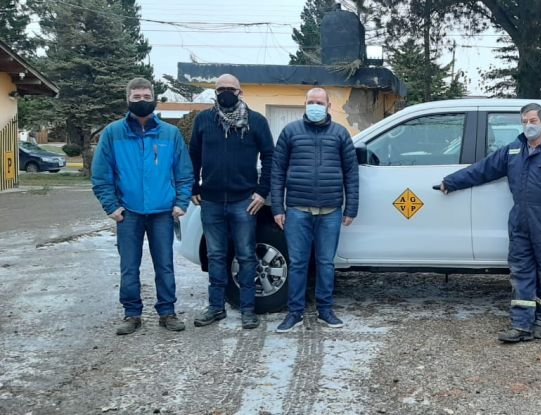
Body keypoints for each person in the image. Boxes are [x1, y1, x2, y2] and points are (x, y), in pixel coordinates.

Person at [440, 103, 541, 343]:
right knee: (521, 272)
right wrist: (452, 181)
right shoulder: (513, 150)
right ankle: (521, 324)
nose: (528, 125)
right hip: (520, 223)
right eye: (524, 121)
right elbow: (482, 169)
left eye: (533, 121)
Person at [91, 77, 193, 335]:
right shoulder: (113, 133)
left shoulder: (170, 133)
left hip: (162, 213)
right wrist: (111, 207)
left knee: (165, 264)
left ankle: (167, 312)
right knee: (129, 266)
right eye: (136, 97)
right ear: (128, 100)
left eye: (146, 96)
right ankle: (132, 314)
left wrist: (181, 202)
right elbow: (101, 175)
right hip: (128, 213)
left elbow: (184, 172)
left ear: (154, 98)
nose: (142, 101)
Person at [270, 87, 359, 333]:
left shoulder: (340, 134)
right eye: (311, 101)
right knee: (298, 263)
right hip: (297, 209)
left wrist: (351, 207)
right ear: (305, 104)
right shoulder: (290, 132)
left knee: (326, 263)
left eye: (320, 102)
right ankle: (294, 312)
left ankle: (325, 310)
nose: (315, 105)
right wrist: (277, 207)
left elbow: (351, 173)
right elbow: (277, 172)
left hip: (330, 211)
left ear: (329, 106)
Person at [190, 74, 274, 330]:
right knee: (216, 255)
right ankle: (216, 307)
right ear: (215, 93)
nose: (225, 92)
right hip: (212, 200)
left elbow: (270, 157)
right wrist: (193, 185)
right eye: (221, 89)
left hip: (244, 201)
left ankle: (248, 309)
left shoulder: (256, 121)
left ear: (240, 92)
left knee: (247, 256)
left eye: (231, 89)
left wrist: (262, 192)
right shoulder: (204, 120)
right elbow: (193, 155)